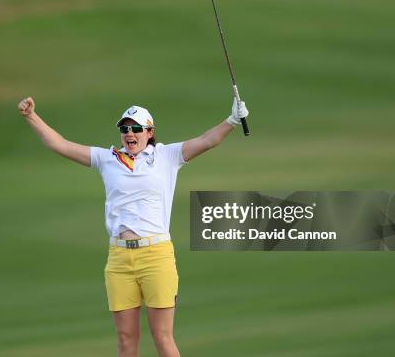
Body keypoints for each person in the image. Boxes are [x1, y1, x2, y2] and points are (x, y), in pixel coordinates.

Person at [18, 96, 249, 357]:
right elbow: (59, 145)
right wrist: (31, 117)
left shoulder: (166, 156)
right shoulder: (107, 158)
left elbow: (207, 140)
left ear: (149, 132)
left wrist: (231, 120)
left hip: (156, 255)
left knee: (162, 337)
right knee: (126, 340)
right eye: (125, 128)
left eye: (136, 128)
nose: (130, 133)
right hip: (119, 258)